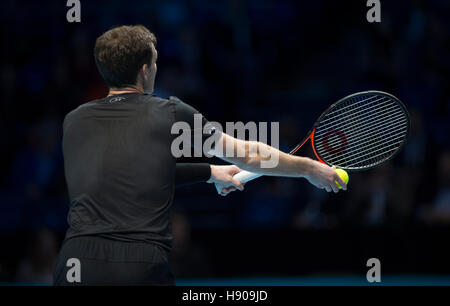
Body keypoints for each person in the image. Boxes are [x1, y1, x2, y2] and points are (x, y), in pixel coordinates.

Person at [53, 25, 346, 285]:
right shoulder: (168, 111)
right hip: (137, 264)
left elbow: (131, 172)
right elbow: (248, 155)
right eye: (155, 61)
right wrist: (308, 168)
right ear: (145, 70)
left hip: (75, 263)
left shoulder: (74, 121)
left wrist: (210, 173)